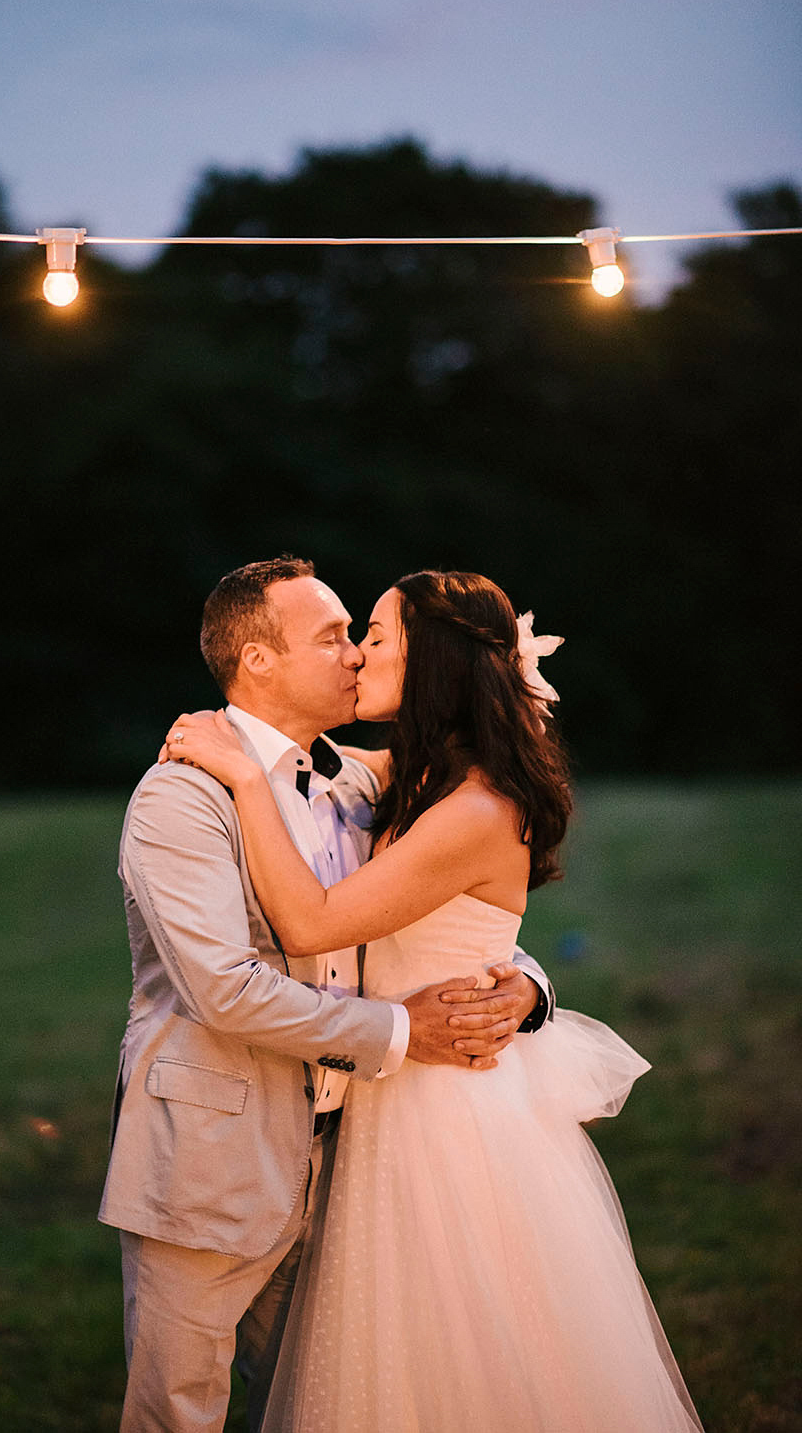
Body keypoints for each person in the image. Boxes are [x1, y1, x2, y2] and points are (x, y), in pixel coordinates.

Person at [165, 569, 704, 1433]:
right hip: (382, 1096)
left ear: (434, 661)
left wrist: (244, 782)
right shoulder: (401, 777)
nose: (355, 653)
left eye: (372, 635)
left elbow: (312, 923)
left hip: (449, 1112)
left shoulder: (478, 805)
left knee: (465, 1356)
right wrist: (528, 978)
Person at [99, 557, 555, 1433]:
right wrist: (398, 1032)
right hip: (214, 1156)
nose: (353, 655)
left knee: (313, 1405)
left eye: (361, 634)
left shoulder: (360, 778)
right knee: (176, 1413)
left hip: (355, 1161)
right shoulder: (183, 796)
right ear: (259, 661)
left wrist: (526, 984)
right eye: (333, 636)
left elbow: (449, 906)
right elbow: (226, 991)